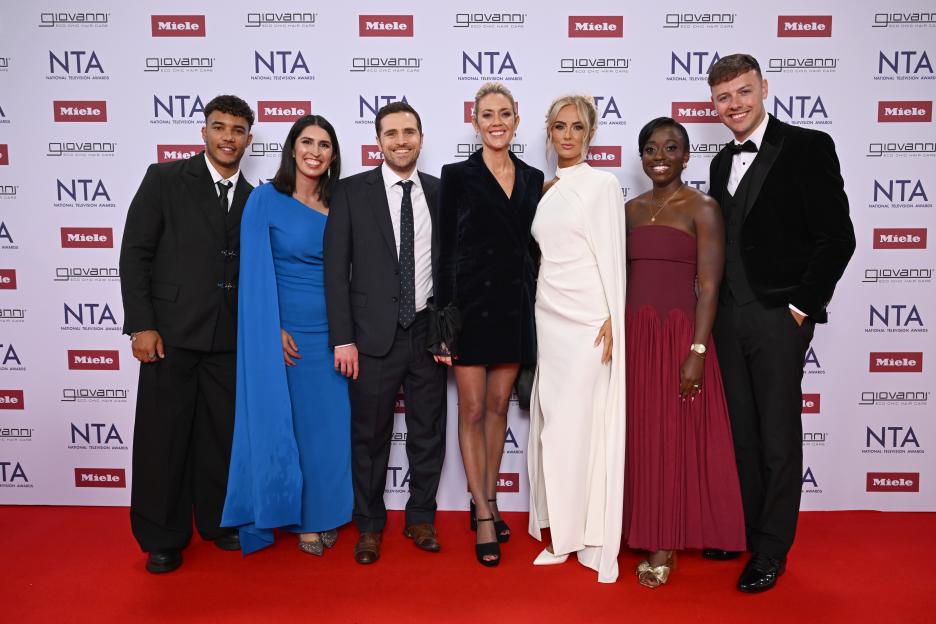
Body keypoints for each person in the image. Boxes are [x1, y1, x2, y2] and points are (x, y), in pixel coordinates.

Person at [705, 54, 855, 592]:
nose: (735, 105)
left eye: (744, 92)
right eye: (724, 97)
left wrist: (800, 308)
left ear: (764, 89)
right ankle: (746, 531)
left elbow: (838, 237)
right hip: (727, 319)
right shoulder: (721, 162)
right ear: (713, 103)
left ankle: (772, 549)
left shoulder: (809, 146)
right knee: (740, 434)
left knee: (777, 436)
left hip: (777, 317)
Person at [119, 95, 255, 574]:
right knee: (163, 438)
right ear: (204, 132)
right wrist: (142, 323)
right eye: (219, 127)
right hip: (170, 334)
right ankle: (162, 537)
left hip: (229, 339)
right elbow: (135, 253)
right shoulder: (165, 179)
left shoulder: (256, 196)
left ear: (248, 139)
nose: (228, 138)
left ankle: (219, 524)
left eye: (238, 130)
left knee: (220, 438)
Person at [622, 117, 745, 588]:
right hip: (636, 336)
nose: (659, 157)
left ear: (686, 156)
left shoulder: (703, 207)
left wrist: (697, 349)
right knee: (640, 434)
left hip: (678, 337)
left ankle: (664, 543)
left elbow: (710, 287)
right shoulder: (630, 210)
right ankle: (638, 525)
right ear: (642, 157)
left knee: (671, 436)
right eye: (651, 149)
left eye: (670, 148)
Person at [221, 115, 352, 556]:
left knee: (327, 428)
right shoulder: (265, 200)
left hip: (334, 331)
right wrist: (269, 330)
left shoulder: (341, 204)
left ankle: (324, 512)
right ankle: (299, 522)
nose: (315, 151)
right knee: (287, 425)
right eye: (307, 142)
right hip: (287, 332)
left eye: (325, 144)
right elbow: (254, 272)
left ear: (334, 156)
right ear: (293, 148)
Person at [323, 102, 447, 565]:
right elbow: (336, 272)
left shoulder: (440, 191)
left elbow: (452, 269)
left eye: (409, 132)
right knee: (369, 437)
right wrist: (343, 338)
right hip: (371, 337)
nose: (401, 141)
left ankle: (421, 518)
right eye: (391, 133)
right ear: (378, 141)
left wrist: (449, 332)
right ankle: (370, 526)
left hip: (427, 336)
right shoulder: (352, 192)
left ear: (421, 136)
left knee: (428, 433)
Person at [435, 83, 544, 567]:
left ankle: (490, 499)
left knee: (500, 405)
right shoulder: (456, 175)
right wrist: (443, 319)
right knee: (474, 409)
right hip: (469, 309)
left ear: (517, 120)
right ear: (474, 122)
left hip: (515, 307)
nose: (496, 121)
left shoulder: (534, 176)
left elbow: (536, 249)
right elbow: (444, 251)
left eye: (505, 113)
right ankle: (481, 512)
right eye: (487, 114)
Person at [527, 95, 627, 583]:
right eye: (559, 127)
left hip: (590, 323)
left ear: (590, 135)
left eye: (577, 128)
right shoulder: (545, 189)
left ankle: (589, 535)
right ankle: (562, 532)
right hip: (550, 320)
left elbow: (612, 252)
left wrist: (613, 315)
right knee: (555, 428)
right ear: (549, 133)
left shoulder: (603, 184)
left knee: (587, 428)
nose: (568, 136)